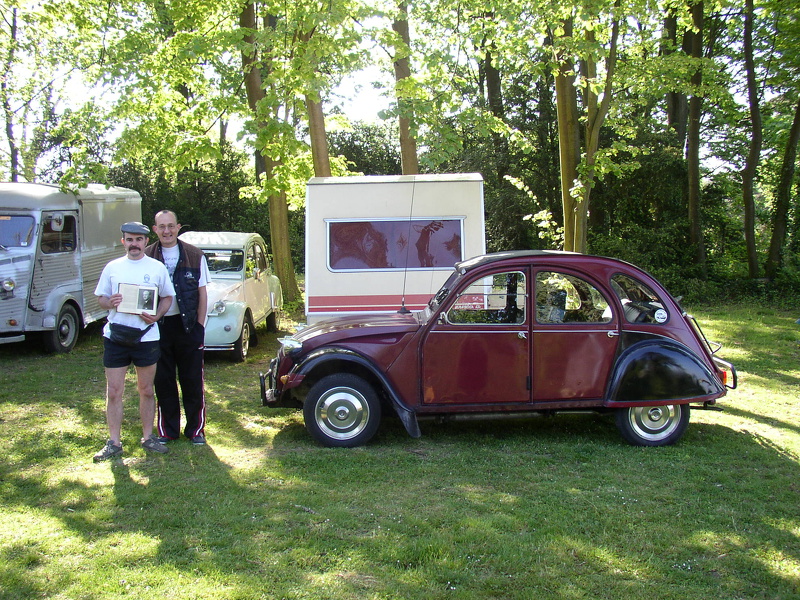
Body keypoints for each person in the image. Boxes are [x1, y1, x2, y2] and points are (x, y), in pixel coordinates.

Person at [93, 221, 176, 462]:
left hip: (146, 337)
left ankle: (148, 437)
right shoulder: (112, 267)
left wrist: (157, 315)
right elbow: (101, 298)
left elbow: (167, 297)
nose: (134, 244)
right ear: (123, 242)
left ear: (146, 241)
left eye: (138, 240)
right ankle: (113, 442)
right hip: (116, 337)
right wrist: (110, 302)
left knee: (146, 390)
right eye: (129, 240)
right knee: (114, 391)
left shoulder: (157, 268)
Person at [145, 210, 210, 445]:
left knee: (192, 381)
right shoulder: (147, 256)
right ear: (155, 229)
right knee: (163, 381)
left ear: (178, 227)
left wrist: (200, 326)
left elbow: (202, 293)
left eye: (171, 226)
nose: (167, 231)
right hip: (158, 328)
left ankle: (195, 430)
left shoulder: (195, 255)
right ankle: (168, 430)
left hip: (189, 327)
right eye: (162, 227)